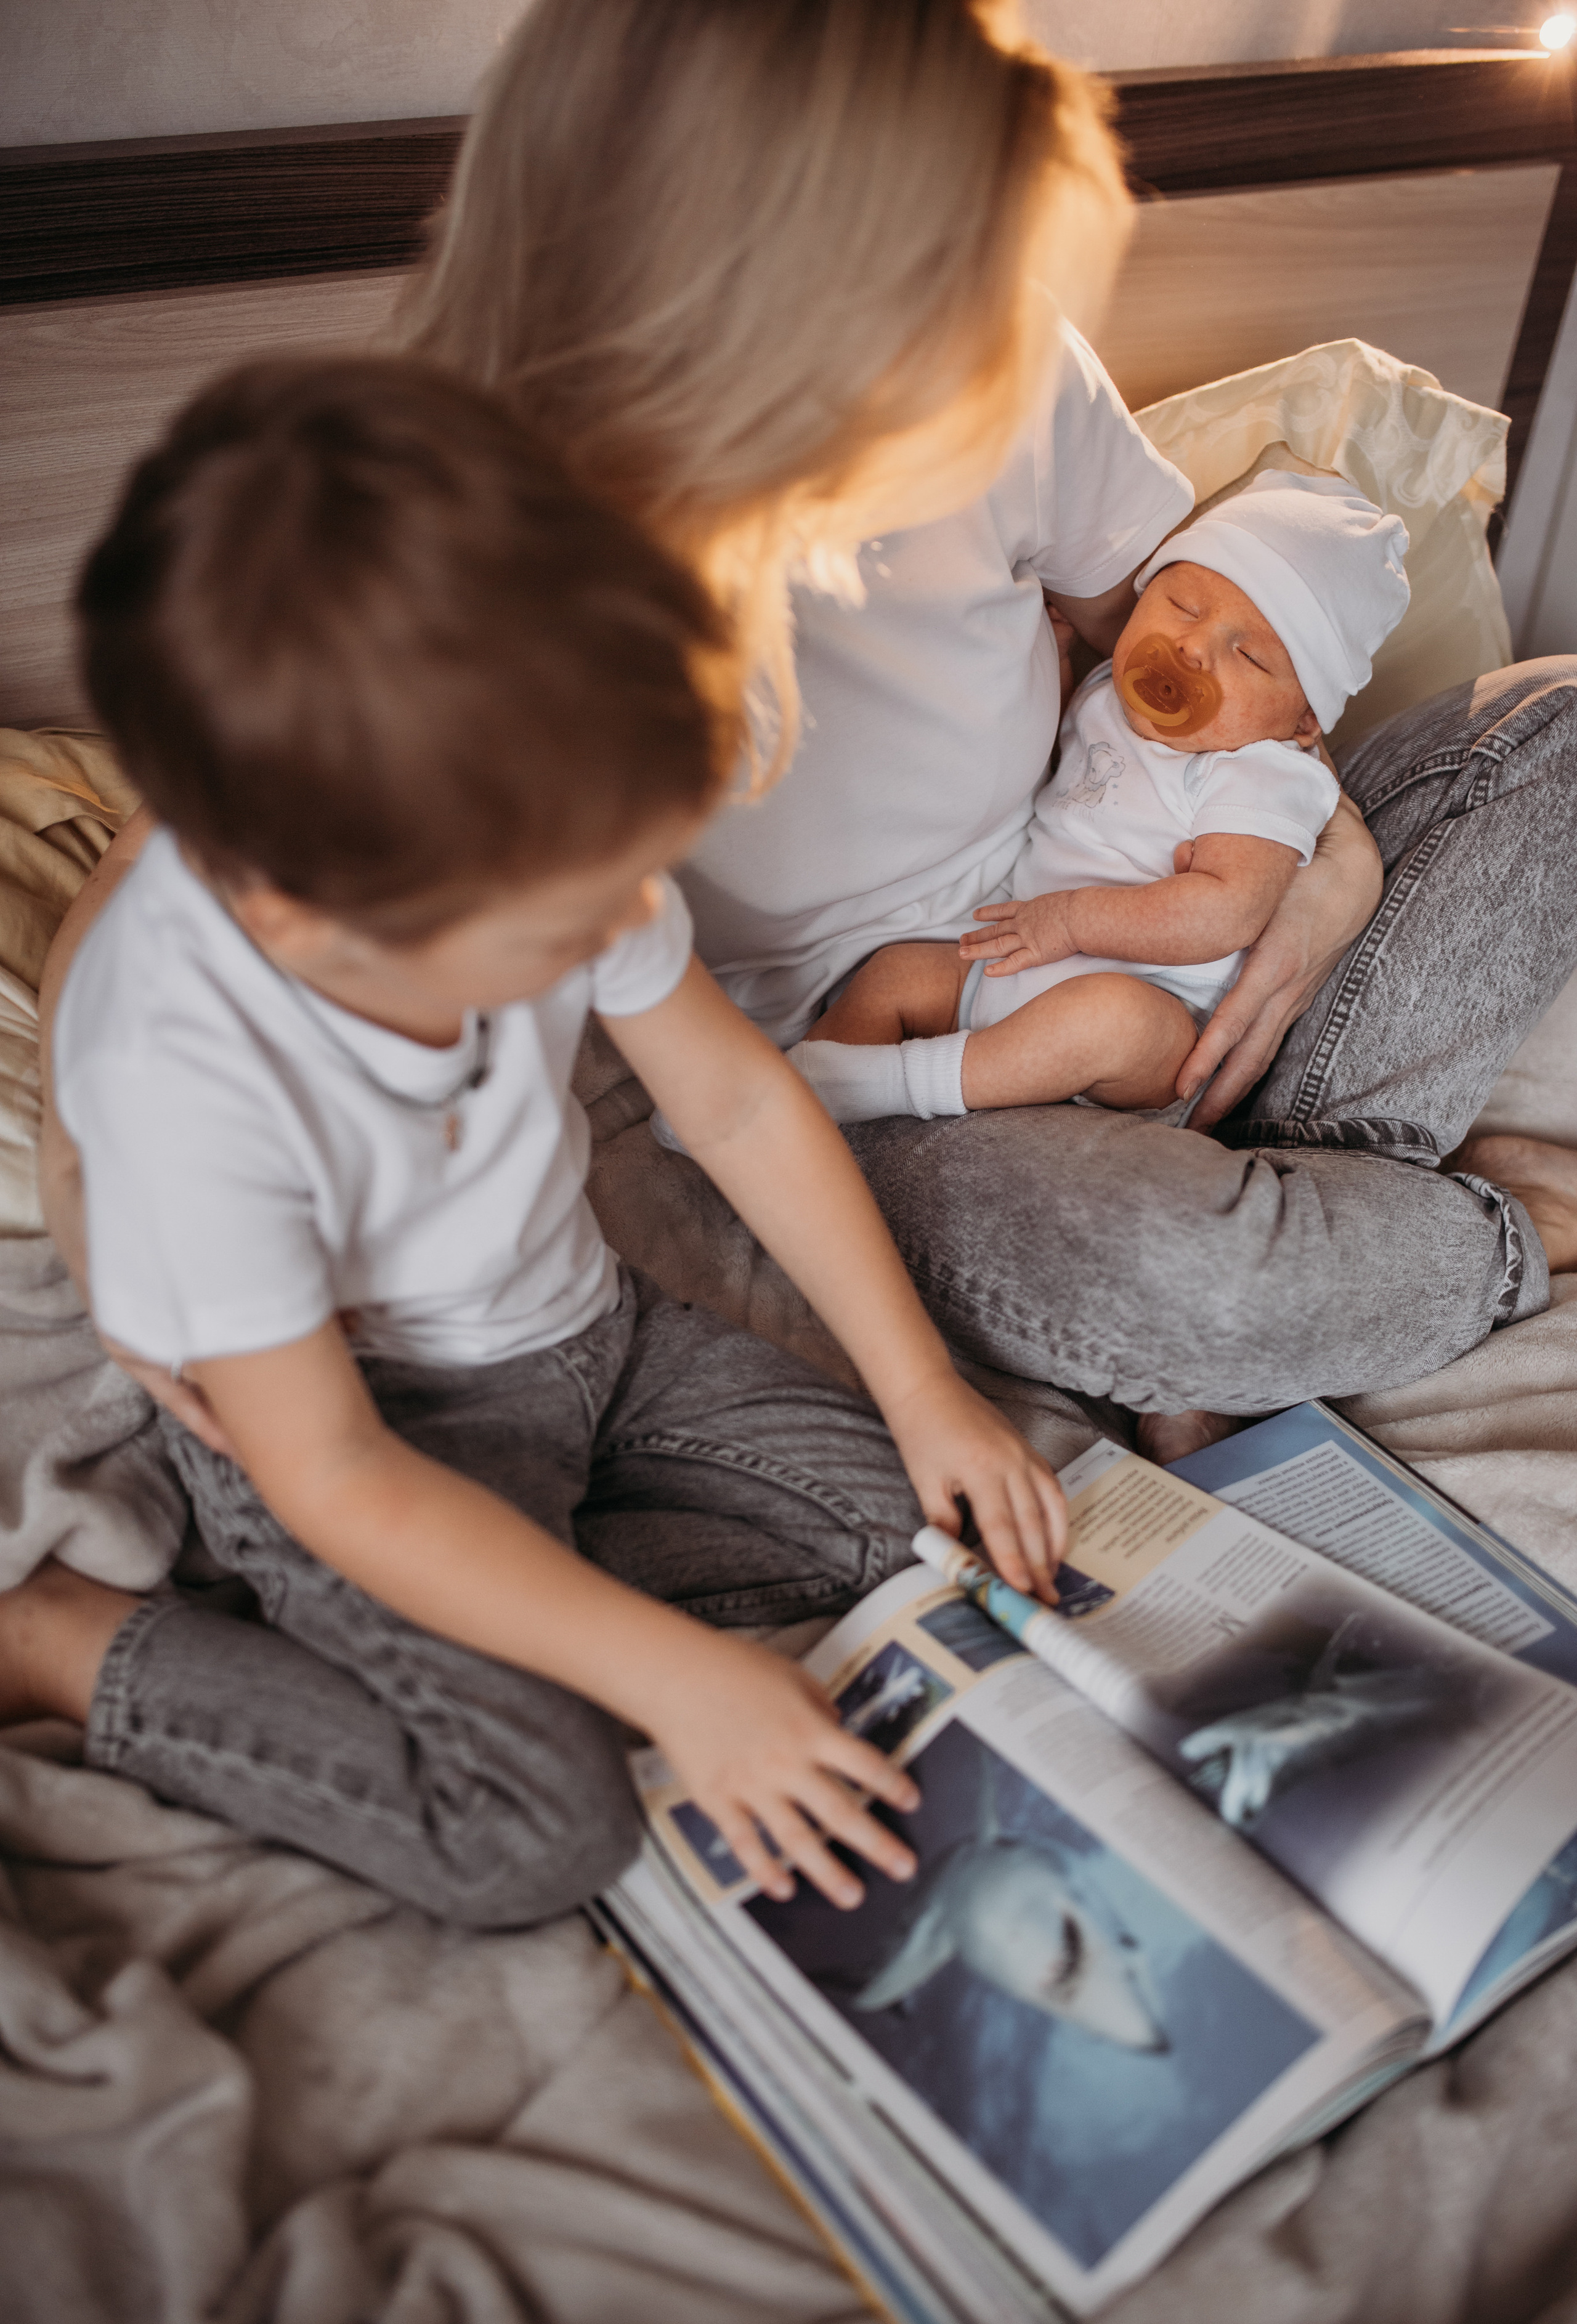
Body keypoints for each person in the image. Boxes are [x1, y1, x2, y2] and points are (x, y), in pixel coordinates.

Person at [390, 0, 1577, 1456]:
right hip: (868, 1066)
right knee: (1191, 1275)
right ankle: (1473, 1230)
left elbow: (1185, 649)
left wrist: (1325, 860)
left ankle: (1308, 1190)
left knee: (1553, 722)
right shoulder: (482, 550)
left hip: (1130, 902)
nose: (976, 339)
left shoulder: (996, 349)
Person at [10, 356, 1068, 1928]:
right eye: (569, 915)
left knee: (940, 1538)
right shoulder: (184, 1070)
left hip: (593, 1329)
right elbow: (340, 1475)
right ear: (306, 905)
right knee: (537, 1829)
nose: (621, 920)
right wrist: (676, 1679)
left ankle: (551, 1588)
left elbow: (729, 1096)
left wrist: (921, 1390)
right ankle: (58, 1633)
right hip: (373, 1433)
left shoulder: (538, 824)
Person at [788, 472, 1409, 1126]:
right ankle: (792, 1099)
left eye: (1249, 656)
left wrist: (1071, 922)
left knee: (1103, 1018)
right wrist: (1049, 665)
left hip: (1148, 1026)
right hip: (1007, 968)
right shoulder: (1107, 693)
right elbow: (1062, 768)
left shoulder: (1262, 771)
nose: (1192, 649)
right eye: (1183, 606)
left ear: (1303, 722)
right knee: (893, 977)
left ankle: (893, 1087)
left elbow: (1227, 911)